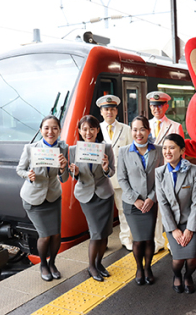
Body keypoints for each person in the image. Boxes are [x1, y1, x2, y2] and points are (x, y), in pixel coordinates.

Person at [16, 115, 69, 281]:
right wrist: (28, 175)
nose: (50, 131)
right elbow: (19, 169)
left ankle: (52, 263)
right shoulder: (30, 148)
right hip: (33, 198)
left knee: (56, 235)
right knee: (45, 235)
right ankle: (43, 265)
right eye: (46, 128)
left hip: (53, 196)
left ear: (59, 131)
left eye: (54, 128)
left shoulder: (63, 148)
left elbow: (65, 178)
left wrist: (63, 168)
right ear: (41, 130)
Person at [155, 134, 196, 294]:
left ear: (182, 150)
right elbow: (162, 203)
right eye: (164, 148)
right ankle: (177, 275)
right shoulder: (160, 173)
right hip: (173, 224)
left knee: (191, 259)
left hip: (193, 220)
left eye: (172, 147)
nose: (167, 151)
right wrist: (174, 229)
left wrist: (190, 229)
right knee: (177, 260)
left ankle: (188, 276)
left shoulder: (194, 171)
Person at [117, 115, 163, 285]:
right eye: (135, 129)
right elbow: (121, 178)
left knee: (149, 238)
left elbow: (161, 177)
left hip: (151, 203)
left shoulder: (158, 150)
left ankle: (148, 268)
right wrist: (135, 199)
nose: (138, 133)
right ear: (131, 131)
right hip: (132, 205)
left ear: (148, 131)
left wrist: (151, 198)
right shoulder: (123, 151)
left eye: (142, 129)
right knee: (137, 239)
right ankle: (139, 268)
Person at [69, 115, 115, 282]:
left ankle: (99, 263)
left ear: (97, 130)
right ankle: (91, 266)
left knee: (104, 233)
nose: (88, 132)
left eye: (92, 129)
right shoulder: (73, 150)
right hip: (86, 196)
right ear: (80, 131)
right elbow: (74, 175)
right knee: (96, 233)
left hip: (105, 194)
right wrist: (74, 172)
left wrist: (105, 168)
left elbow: (111, 172)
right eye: (84, 129)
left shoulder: (106, 148)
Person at [148, 91, 185, 254]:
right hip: (150, 173)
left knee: (171, 206)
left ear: (166, 106)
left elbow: (182, 153)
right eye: (154, 105)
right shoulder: (145, 126)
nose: (157, 108)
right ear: (150, 107)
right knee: (154, 208)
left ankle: (172, 240)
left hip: (169, 172)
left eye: (160, 105)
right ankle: (157, 241)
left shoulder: (175, 126)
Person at [97, 95, 134, 250]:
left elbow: (131, 154)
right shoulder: (96, 129)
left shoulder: (126, 129)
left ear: (116, 110)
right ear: (101, 112)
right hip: (102, 179)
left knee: (123, 210)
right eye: (106, 109)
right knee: (102, 212)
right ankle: (101, 241)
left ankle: (126, 238)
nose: (109, 112)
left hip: (120, 177)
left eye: (112, 109)